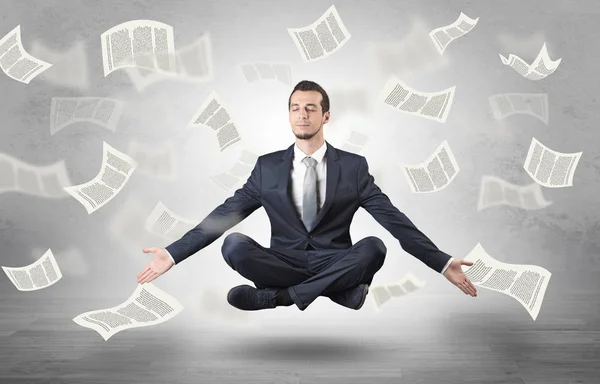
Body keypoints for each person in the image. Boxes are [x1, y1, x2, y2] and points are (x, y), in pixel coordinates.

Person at [137, 80, 477, 311]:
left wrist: (442, 262)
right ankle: (341, 291)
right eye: (296, 108)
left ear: (326, 116)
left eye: (311, 108)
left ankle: (280, 299)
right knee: (234, 244)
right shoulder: (267, 167)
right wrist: (172, 253)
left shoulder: (354, 167)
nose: (302, 114)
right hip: (282, 261)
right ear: (288, 116)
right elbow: (226, 214)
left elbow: (395, 222)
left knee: (374, 247)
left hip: (335, 259)